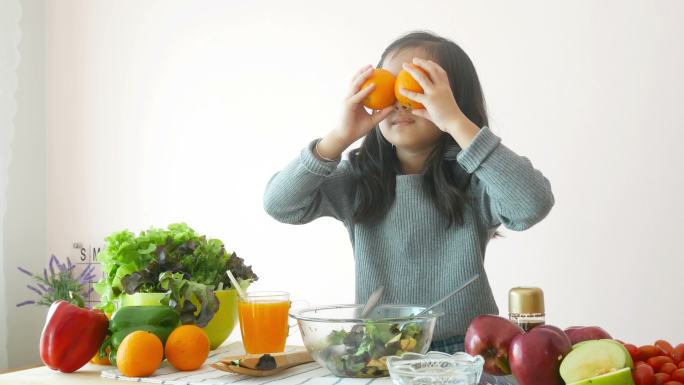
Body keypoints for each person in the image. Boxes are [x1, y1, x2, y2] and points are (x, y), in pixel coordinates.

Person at [263, 31, 554, 353]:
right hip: (379, 349)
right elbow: (281, 205)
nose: (400, 101)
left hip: (468, 349)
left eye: (417, 85)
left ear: (454, 100)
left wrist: (456, 122)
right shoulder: (358, 181)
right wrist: (339, 137)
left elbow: (532, 204)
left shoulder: (474, 179)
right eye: (389, 83)